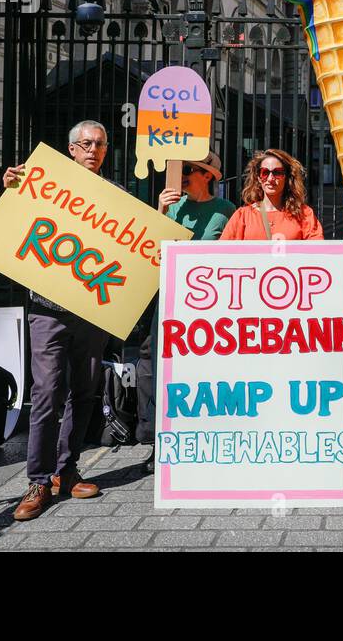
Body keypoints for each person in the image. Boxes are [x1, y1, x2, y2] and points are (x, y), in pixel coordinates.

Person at [3, 121, 115, 521]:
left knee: (84, 392)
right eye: (86, 143)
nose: (94, 150)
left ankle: (67, 472)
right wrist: (12, 187)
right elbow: (12, 226)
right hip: (48, 311)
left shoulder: (116, 195)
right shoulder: (42, 186)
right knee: (47, 395)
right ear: (70, 149)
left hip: (92, 313)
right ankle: (38, 480)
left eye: (100, 144)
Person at [136, 152, 234, 465]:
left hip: (209, 306)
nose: (182, 175)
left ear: (208, 176)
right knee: (163, 368)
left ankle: (204, 437)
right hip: (171, 299)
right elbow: (150, 248)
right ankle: (159, 441)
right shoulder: (174, 207)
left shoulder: (226, 211)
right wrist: (161, 210)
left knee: (204, 371)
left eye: (189, 170)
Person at [220, 148, 324, 240]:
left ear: (287, 178)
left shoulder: (304, 214)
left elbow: (316, 253)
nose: (270, 179)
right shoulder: (243, 215)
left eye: (277, 173)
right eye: (265, 172)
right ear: (259, 178)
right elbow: (224, 253)